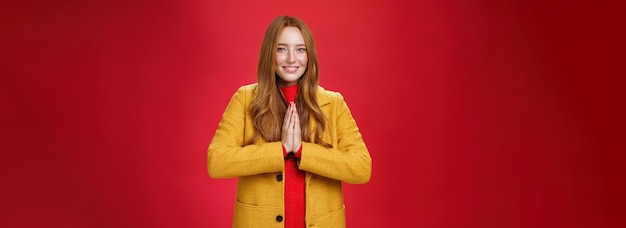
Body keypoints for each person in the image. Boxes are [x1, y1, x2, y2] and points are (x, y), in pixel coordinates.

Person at [207, 15, 372, 228]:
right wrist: (281, 149)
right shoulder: (245, 99)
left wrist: (302, 150)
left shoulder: (333, 103)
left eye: (300, 49)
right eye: (281, 49)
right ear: (270, 53)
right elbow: (217, 161)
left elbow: (362, 167)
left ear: (309, 55)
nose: (292, 59)